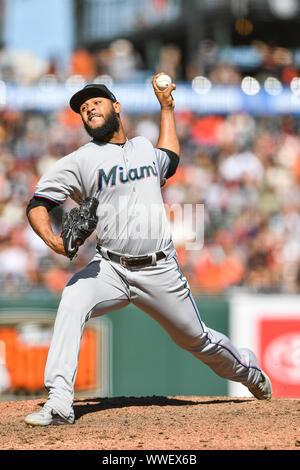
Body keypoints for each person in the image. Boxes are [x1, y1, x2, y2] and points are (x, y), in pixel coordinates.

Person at [24, 74, 271, 426]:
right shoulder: (79, 160)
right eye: (82, 107)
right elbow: (38, 202)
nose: (89, 107)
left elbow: (169, 156)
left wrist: (167, 108)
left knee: (198, 340)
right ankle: (60, 401)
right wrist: (52, 241)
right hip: (109, 268)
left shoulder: (142, 147)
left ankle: (249, 371)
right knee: (73, 299)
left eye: (96, 101)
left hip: (160, 270)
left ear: (116, 108)